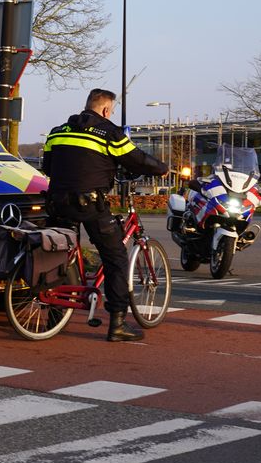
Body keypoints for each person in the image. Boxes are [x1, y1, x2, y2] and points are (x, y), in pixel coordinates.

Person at [42, 89, 168, 342]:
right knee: (116, 258)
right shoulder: (109, 132)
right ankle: (118, 325)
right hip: (89, 203)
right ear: (106, 110)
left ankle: (55, 316)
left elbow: (47, 165)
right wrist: (162, 169)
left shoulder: (57, 131)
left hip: (57, 201)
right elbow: (136, 159)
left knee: (59, 253)